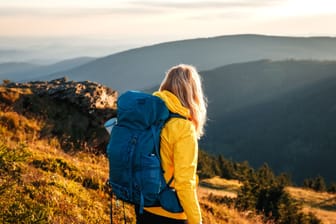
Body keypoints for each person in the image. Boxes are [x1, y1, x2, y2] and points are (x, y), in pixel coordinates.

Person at [136, 64, 207, 224]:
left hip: (144, 204)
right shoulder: (184, 128)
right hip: (169, 211)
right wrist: (196, 220)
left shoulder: (148, 116)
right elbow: (184, 182)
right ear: (192, 93)